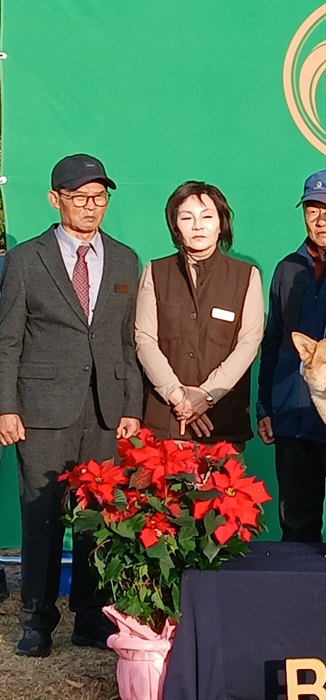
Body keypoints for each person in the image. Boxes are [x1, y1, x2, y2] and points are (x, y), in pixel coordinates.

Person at [0, 154, 142, 656]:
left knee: (98, 516)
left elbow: (127, 340)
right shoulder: (24, 260)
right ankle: (36, 621)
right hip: (40, 410)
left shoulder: (126, 258)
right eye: (79, 197)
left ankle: (90, 616)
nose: (90, 206)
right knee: (42, 516)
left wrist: (131, 407)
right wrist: (5, 407)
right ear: (54, 199)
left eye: (99, 197)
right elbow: (8, 339)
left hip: (105, 411)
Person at [257, 170, 326, 543]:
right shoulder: (288, 268)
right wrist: (266, 406)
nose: (321, 219)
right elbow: (274, 343)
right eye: (312, 209)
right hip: (292, 418)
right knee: (296, 526)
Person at [135, 181, 264, 449]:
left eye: (207, 216)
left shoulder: (245, 276)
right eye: (187, 217)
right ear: (175, 225)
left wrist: (205, 396)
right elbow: (144, 339)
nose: (197, 226)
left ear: (221, 224)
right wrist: (177, 396)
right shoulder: (155, 272)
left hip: (222, 424)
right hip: (167, 422)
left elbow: (249, 343)